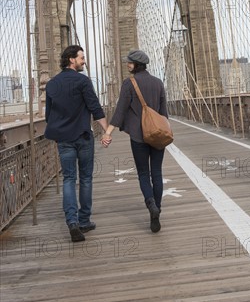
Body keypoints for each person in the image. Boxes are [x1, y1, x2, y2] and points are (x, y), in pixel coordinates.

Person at [45, 45, 108, 242]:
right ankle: (84, 221)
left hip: (63, 139)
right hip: (83, 137)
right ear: (71, 59)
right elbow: (95, 108)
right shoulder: (83, 80)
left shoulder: (52, 84)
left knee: (69, 179)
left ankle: (71, 222)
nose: (84, 61)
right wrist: (107, 131)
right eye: (82, 58)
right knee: (86, 178)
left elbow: (49, 115)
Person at [101, 49, 168, 233]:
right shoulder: (158, 83)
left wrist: (108, 133)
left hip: (138, 137)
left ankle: (150, 204)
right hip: (158, 135)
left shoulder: (129, 83)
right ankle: (158, 210)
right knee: (157, 173)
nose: (127, 65)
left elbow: (120, 111)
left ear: (136, 64)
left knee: (143, 174)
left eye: (129, 62)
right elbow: (164, 114)